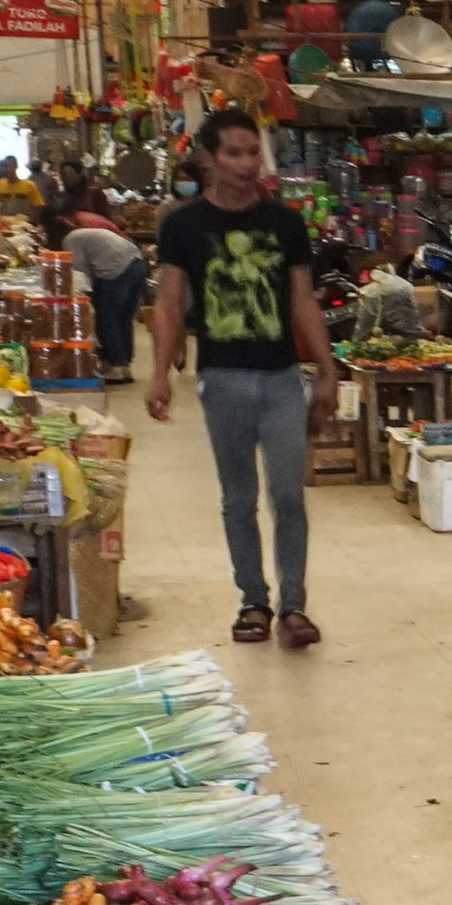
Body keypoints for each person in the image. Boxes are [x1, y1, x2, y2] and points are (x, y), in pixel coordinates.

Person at [147, 109, 335, 648]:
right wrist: (159, 373)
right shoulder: (183, 226)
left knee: (289, 496)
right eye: (232, 153)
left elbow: (302, 302)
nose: (245, 164)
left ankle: (294, 606)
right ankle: (254, 601)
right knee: (238, 498)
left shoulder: (285, 224)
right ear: (208, 159)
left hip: (281, 379)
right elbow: (168, 304)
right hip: (222, 379)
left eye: (253, 152)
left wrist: (326, 369)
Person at [61, 194, 150, 384]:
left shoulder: (71, 239)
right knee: (123, 318)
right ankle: (123, 363)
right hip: (136, 261)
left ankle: (117, 365)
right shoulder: (85, 225)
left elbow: (81, 277)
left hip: (116, 269)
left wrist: (84, 305)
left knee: (107, 317)